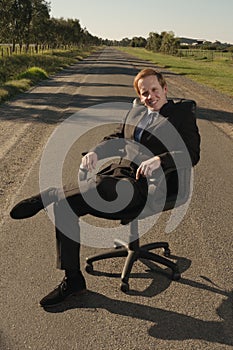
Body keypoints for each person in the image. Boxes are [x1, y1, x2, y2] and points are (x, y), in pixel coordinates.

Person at [10, 68, 201, 308]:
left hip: (152, 185)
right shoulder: (136, 113)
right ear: (139, 96)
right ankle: (74, 281)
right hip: (118, 176)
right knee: (66, 204)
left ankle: (49, 193)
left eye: (154, 90)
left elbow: (191, 154)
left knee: (100, 185)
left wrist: (160, 160)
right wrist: (94, 152)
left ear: (164, 89)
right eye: (144, 93)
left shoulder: (180, 113)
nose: (150, 96)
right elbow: (115, 137)